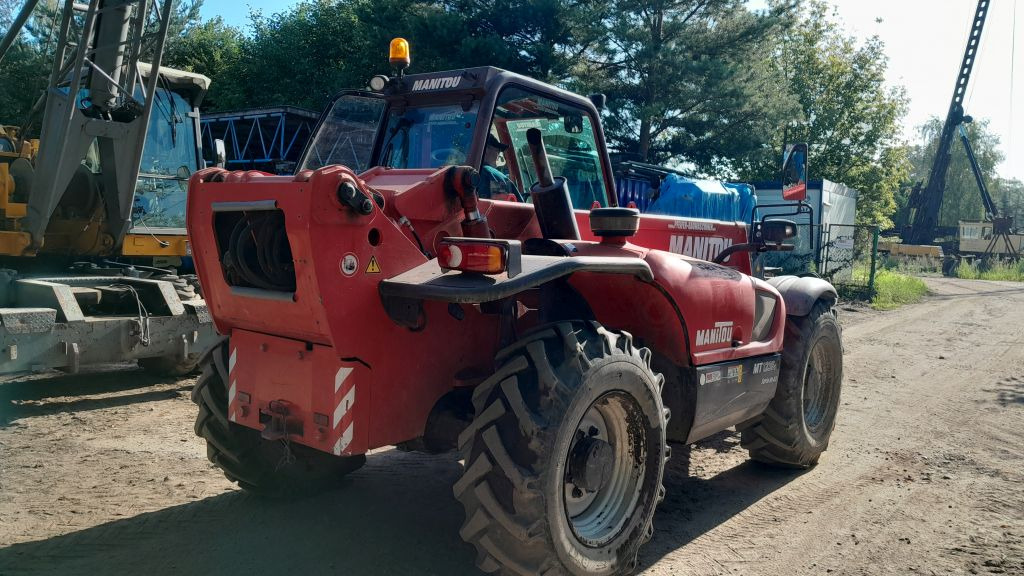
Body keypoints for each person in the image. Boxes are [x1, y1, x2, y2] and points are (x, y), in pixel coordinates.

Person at [479, 132, 522, 200]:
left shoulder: (462, 172)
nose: (499, 155)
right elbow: (508, 207)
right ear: (486, 150)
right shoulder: (492, 175)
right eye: (498, 151)